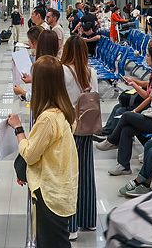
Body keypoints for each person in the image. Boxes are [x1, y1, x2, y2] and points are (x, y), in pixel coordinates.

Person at [7, 56, 78, 248]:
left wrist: (18, 129)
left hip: (50, 194)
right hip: (62, 187)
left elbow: (30, 154)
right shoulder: (64, 109)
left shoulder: (48, 118)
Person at [96, 48, 152, 175]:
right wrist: (133, 83)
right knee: (126, 130)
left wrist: (135, 110)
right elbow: (147, 91)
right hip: (150, 114)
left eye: (148, 56)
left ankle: (112, 140)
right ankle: (123, 166)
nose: (146, 58)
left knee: (127, 116)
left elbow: (149, 98)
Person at [60, 36, 99, 238]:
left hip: (68, 128)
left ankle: (71, 226)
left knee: (69, 175)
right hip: (87, 127)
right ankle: (89, 220)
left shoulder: (63, 71)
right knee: (86, 171)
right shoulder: (91, 72)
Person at [14, 29, 58, 99]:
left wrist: (21, 92)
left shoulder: (40, 66)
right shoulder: (59, 65)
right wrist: (33, 79)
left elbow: (34, 96)